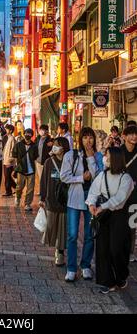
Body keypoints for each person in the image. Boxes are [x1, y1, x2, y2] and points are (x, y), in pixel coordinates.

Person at [86, 147, 134, 294]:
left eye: (106, 156)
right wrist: (92, 204)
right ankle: (108, 282)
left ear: (115, 159)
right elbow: (93, 191)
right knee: (102, 248)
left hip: (119, 216)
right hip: (104, 216)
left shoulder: (126, 178)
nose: (104, 159)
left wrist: (102, 207)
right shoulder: (102, 175)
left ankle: (121, 276)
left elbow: (120, 199)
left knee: (116, 248)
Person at [60, 126, 99, 282]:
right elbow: (64, 176)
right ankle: (71, 268)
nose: (88, 141)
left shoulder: (98, 156)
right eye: (85, 137)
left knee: (90, 235)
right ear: (80, 139)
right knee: (72, 235)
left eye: (91, 137)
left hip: (92, 199)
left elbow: (98, 177)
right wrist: (81, 178)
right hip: (74, 198)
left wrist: (91, 158)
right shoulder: (71, 155)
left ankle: (85, 265)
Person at [39, 137, 70, 266]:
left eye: (57, 145)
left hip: (65, 201)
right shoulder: (48, 162)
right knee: (52, 225)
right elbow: (44, 181)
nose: (54, 147)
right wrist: (42, 198)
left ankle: (60, 252)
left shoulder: (70, 161)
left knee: (63, 228)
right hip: (51, 200)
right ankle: (56, 247)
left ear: (63, 147)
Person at [120, 125, 137, 263]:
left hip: (135, 196)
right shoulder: (118, 153)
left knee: (132, 225)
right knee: (120, 224)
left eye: (136, 134)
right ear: (124, 136)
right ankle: (119, 248)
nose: (134, 137)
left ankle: (130, 252)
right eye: (131, 134)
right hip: (119, 196)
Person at [12, 128, 39, 212]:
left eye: (30, 134)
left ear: (32, 135)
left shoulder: (34, 146)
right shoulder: (18, 145)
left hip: (31, 170)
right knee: (19, 186)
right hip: (21, 169)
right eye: (27, 133)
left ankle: (27, 204)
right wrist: (15, 167)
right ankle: (18, 197)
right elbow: (14, 155)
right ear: (24, 134)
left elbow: (35, 156)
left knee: (30, 188)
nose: (28, 135)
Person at [35, 125, 53, 195]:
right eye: (41, 129)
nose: (41, 131)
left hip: (45, 161)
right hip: (38, 161)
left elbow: (52, 151)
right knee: (40, 177)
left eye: (43, 130)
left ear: (46, 131)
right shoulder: (38, 138)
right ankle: (41, 191)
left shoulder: (50, 140)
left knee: (45, 177)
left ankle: (46, 192)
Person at [2, 124, 16, 197]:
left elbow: (13, 150)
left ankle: (9, 191)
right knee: (7, 176)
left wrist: (10, 160)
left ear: (10, 130)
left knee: (7, 176)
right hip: (6, 159)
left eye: (7, 129)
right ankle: (14, 188)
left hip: (9, 161)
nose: (6, 130)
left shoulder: (12, 139)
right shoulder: (8, 138)